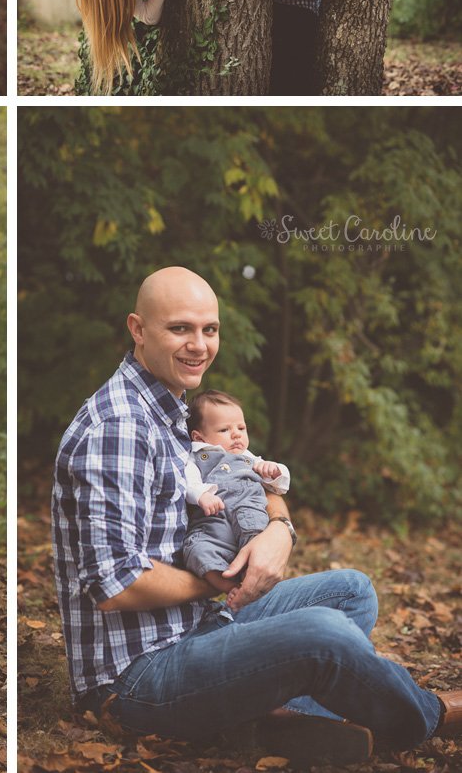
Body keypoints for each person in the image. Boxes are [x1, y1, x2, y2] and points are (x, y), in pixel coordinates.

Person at [53, 265, 462, 757]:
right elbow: (114, 584)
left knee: (352, 592)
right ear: (138, 329)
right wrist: (220, 582)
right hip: (137, 678)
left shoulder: (172, 411)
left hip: (198, 623)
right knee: (323, 634)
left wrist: (278, 530)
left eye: (210, 329)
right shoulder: (120, 426)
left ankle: (266, 719)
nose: (199, 345)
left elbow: (245, 475)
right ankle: (431, 714)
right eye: (180, 328)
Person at [182, 389, 290, 584]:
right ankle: (227, 586)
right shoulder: (195, 458)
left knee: (258, 537)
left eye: (241, 428)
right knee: (197, 549)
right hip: (214, 522)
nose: (236, 435)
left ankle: (252, 576)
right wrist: (202, 495)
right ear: (199, 438)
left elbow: (281, 486)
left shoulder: (248, 457)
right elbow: (188, 481)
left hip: (247, 511)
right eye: (224, 430)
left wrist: (274, 471)